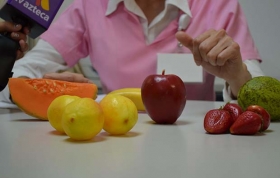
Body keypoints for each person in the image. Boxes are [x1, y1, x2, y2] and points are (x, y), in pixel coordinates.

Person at [0, 0, 264, 103]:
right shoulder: (89, 6)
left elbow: (262, 98)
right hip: (111, 142)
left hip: (196, 144)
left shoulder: (217, 4)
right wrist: (28, 91)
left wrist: (238, 76)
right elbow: (22, 73)